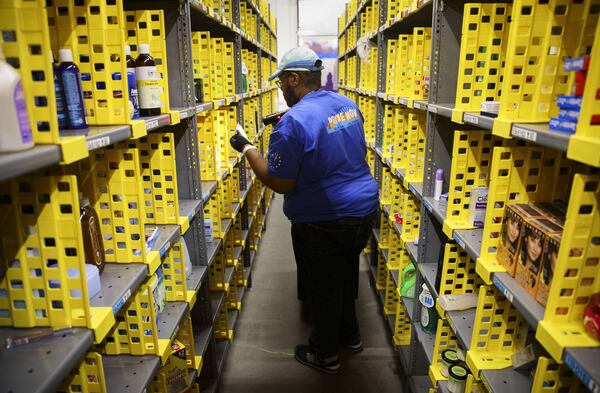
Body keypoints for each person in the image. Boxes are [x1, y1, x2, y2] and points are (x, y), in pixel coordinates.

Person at [229, 46, 378, 374]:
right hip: (363, 210)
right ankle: (351, 335)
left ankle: (326, 355)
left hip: (325, 220)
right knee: (346, 273)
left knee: (324, 287)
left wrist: (249, 148)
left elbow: (280, 181)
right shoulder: (346, 104)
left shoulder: (292, 123)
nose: (280, 89)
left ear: (294, 78)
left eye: (281, 82)